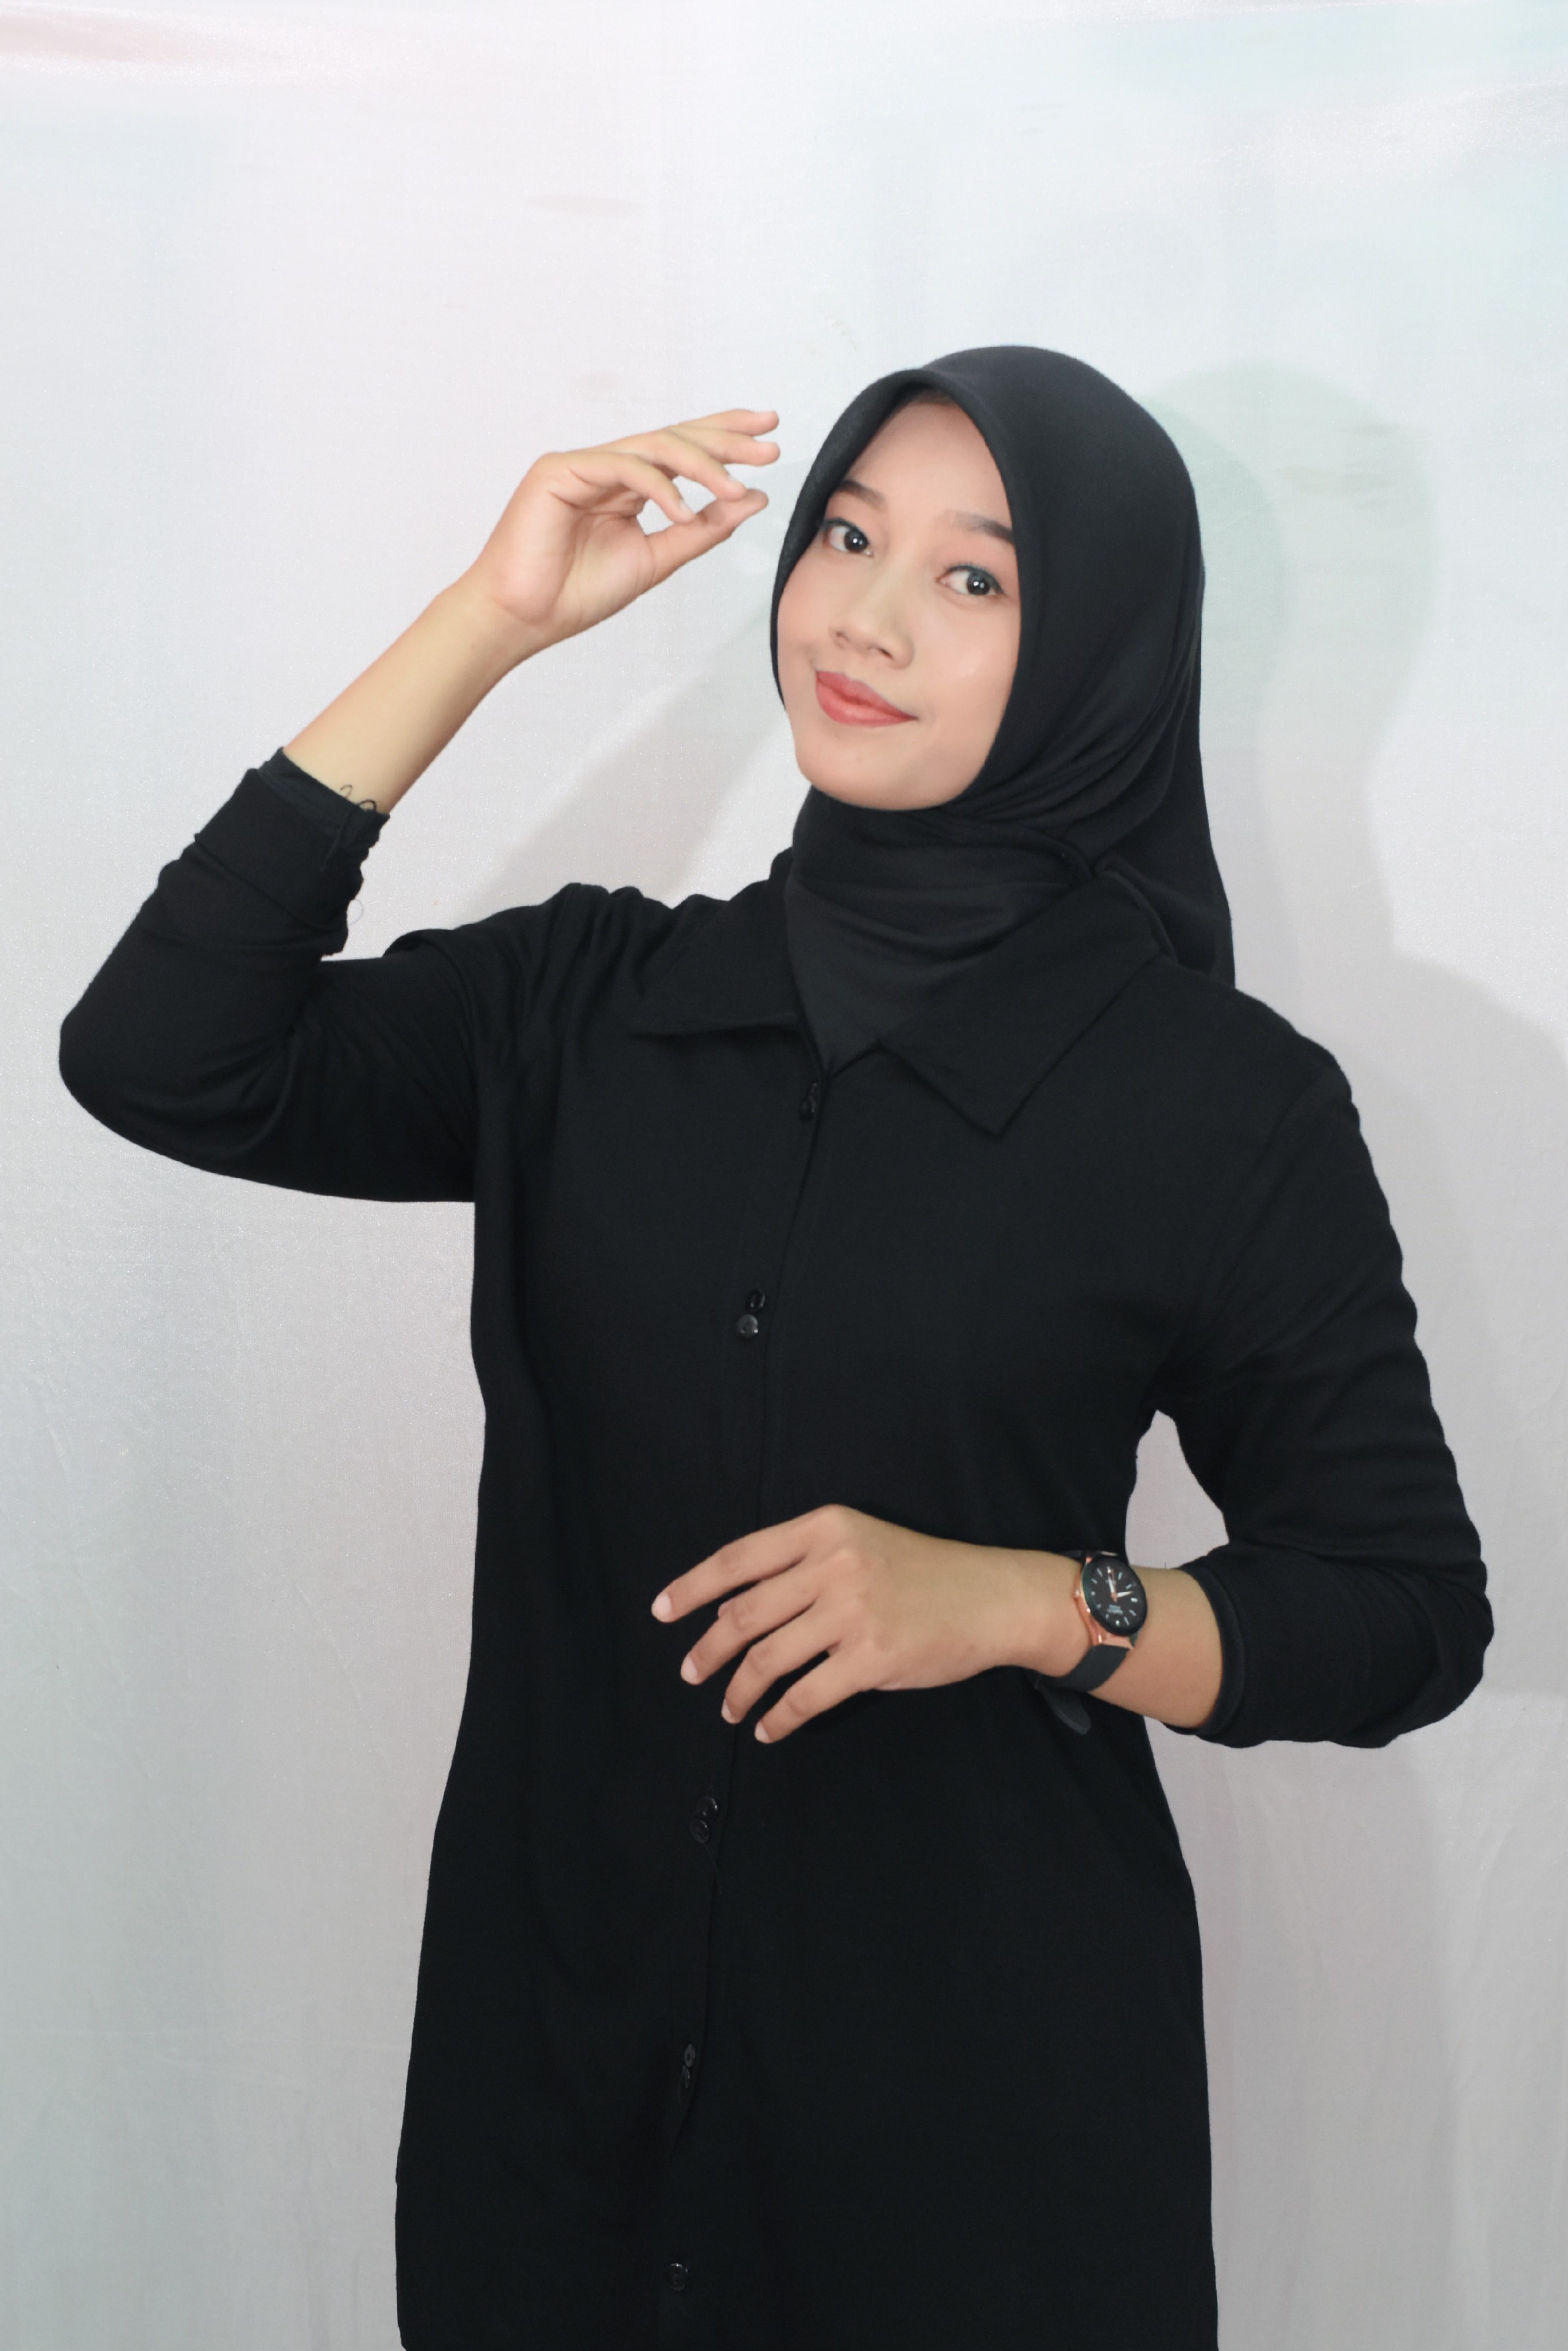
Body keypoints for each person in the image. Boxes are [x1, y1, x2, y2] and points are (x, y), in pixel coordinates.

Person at [59, 346, 1490, 2351]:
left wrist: (1021, 1601)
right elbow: (160, 1053)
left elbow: (1401, 1613)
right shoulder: (584, 1006)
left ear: (1096, 652)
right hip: (556, 2119)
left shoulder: (1215, 1105)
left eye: (973, 577)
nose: (866, 619)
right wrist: (487, 623)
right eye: (843, 537)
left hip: (978, 2157)